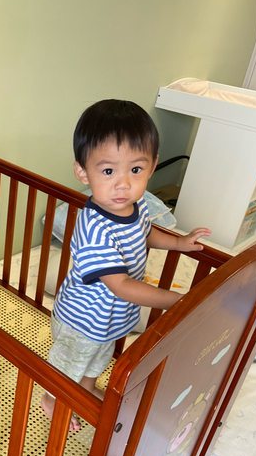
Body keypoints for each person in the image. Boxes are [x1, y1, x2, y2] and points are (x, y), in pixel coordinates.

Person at [41, 99, 210, 432]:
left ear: (152, 165)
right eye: (108, 171)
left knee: (98, 359)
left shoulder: (138, 205)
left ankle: (86, 389)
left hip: (110, 317)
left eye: (135, 170)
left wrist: (179, 243)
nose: (123, 184)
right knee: (71, 363)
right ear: (82, 172)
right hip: (82, 319)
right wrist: (177, 301)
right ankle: (52, 397)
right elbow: (120, 285)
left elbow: (146, 233)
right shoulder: (94, 229)